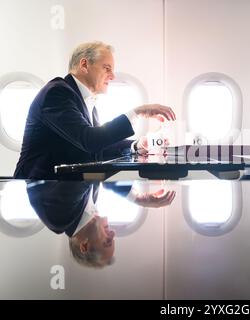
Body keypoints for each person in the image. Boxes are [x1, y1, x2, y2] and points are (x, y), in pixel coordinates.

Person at [14, 41, 176, 180]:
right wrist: (139, 112)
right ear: (84, 65)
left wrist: (137, 145)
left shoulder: (87, 102)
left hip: (64, 189)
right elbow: (90, 140)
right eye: (107, 68)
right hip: (39, 189)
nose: (112, 76)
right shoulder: (57, 93)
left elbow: (100, 147)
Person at [27, 180, 175, 268]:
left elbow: (88, 171)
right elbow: (100, 164)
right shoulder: (91, 202)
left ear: (84, 245)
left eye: (107, 242)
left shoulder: (60, 219)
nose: (113, 234)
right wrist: (138, 147)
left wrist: (139, 199)